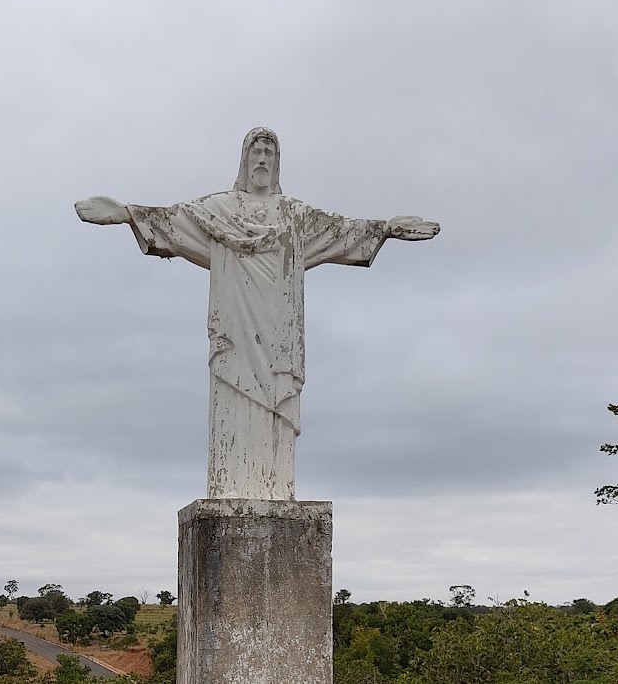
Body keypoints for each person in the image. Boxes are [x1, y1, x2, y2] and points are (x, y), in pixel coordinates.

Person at [75, 127, 439, 500]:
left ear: (277, 164)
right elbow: (174, 221)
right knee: (233, 405)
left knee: (275, 413)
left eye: (270, 152)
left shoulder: (295, 217)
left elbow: (342, 231)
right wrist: (126, 214)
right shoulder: (219, 211)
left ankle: (276, 486)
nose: (262, 158)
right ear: (245, 160)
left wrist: (387, 229)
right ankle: (232, 482)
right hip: (235, 329)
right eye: (257, 151)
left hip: (279, 335)